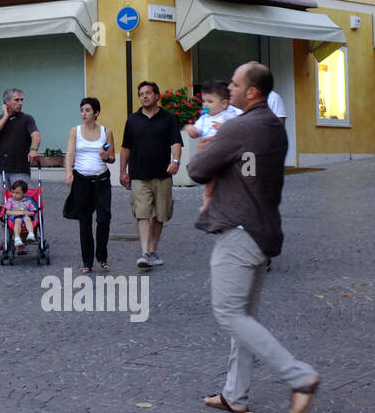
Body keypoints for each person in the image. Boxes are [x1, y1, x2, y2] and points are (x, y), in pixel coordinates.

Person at [188, 62, 320, 413]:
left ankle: (300, 377)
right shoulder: (274, 128)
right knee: (244, 316)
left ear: (252, 92)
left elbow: (197, 169)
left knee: (229, 314)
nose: (228, 88)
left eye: (234, 83)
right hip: (264, 231)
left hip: (239, 231)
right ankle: (235, 395)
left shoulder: (239, 126)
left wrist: (213, 146)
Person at [120, 81, 182, 270]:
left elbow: (176, 143)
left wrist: (176, 162)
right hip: (139, 175)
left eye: (148, 93)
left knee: (160, 214)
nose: (144, 96)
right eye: (141, 94)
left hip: (163, 175)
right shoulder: (132, 120)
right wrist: (123, 171)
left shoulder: (168, 119)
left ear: (157, 96)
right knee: (142, 213)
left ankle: (153, 250)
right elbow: (125, 148)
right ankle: (145, 252)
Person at [63, 97, 115, 274]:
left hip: (101, 180)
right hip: (81, 180)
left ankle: (102, 256)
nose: (83, 113)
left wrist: (105, 156)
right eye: (82, 110)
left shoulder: (106, 132)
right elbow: (70, 154)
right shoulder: (74, 131)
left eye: (87, 110)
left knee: (103, 219)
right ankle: (87, 262)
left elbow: (112, 157)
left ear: (96, 113)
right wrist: (68, 172)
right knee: (84, 222)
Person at [0, 88, 41, 253]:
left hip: (20, 169)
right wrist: (5, 116)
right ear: (7, 102)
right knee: (3, 206)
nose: (20, 103)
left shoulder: (27, 119)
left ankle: (22, 242)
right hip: (1, 170)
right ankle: (7, 240)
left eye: (21, 99)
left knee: (23, 204)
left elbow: (36, 135)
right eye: (16, 100)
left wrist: (34, 149)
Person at [185, 80, 242, 213]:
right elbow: (197, 130)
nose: (205, 105)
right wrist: (191, 129)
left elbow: (240, 129)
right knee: (211, 176)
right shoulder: (205, 116)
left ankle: (210, 198)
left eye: (210, 102)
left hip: (226, 153)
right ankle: (208, 198)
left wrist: (224, 128)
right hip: (210, 153)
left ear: (224, 103)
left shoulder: (231, 114)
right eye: (204, 101)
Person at [1, 179, 38, 244]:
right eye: (13, 192)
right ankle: (17, 238)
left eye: (17, 193)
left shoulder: (28, 201)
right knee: (18, 221)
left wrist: (28, 213)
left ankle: (31, 234)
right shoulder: (10, 201)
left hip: (25, 216)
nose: (14, 195)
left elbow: (33, 212)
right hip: (14, 217)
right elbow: (7, 212)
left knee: (28, 219)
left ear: (24, 193)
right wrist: (19, 213)